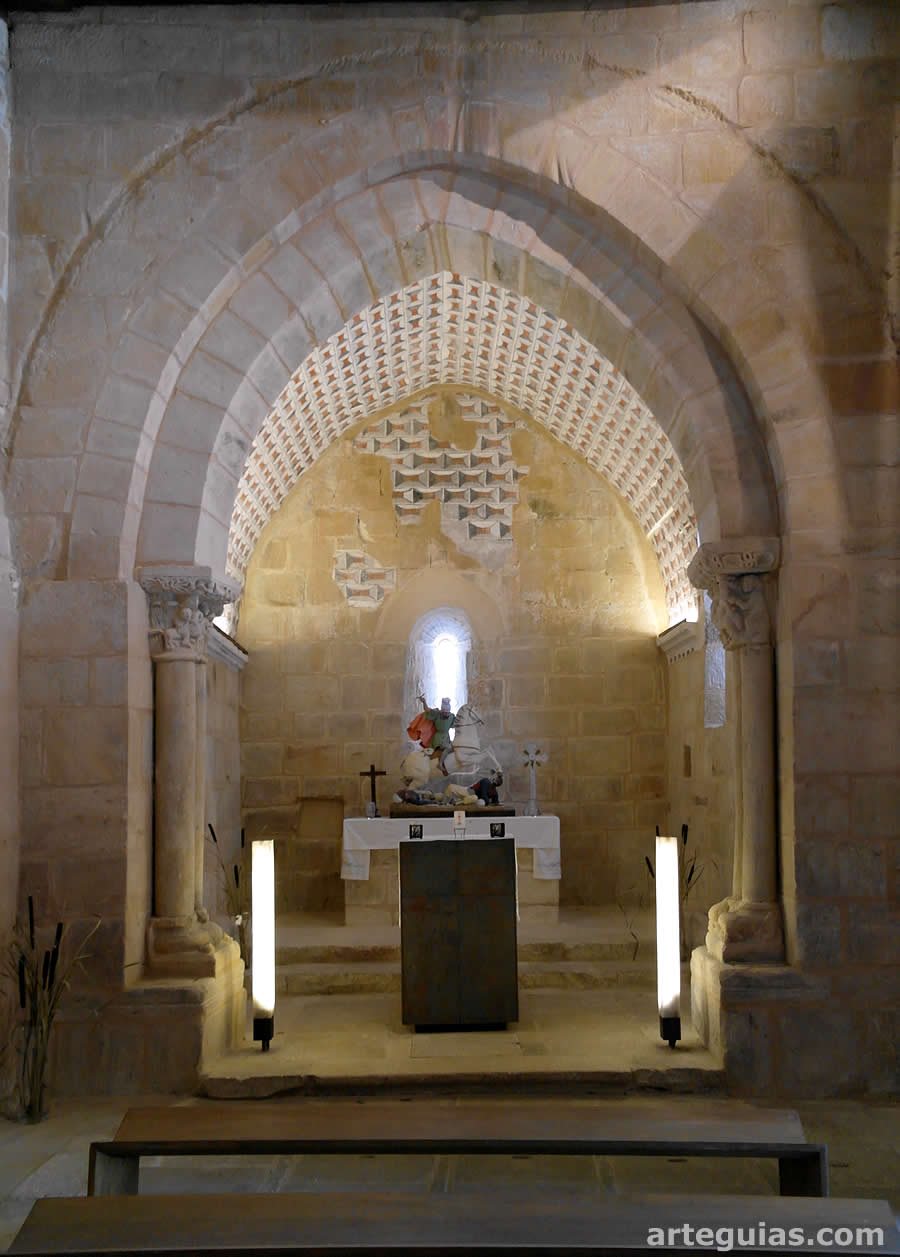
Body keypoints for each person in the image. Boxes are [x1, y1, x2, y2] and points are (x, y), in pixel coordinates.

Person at [410, 694, 456, 775]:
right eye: (445, 712)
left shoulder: (452, 716)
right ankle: (440, 764)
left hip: (446, 737)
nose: (446, 714)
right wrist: (424, 702)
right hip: (438, 738)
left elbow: (454, 725)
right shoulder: (436, 714)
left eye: (448, 713)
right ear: (442, 711)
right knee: (448, 747)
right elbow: (427, 710)